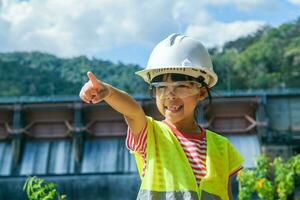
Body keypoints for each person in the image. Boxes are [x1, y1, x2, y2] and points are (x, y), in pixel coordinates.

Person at [79, 33, 244, 200]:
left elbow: (227, 195)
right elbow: (133, 112)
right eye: (161, 87)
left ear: (201, 92)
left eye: (181, 86)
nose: (170, 95)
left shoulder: (223, 147)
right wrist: (108, 92)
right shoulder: (150, 135)